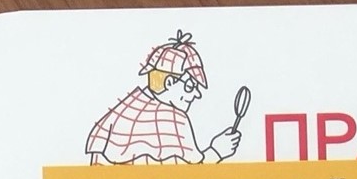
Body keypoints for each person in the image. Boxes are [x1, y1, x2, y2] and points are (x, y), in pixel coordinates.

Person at [85, 32, 242, 165]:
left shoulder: (121, 112)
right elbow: (193, 175)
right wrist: (217, 151)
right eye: (190, 86)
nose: (196, 94)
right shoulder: (173, 119)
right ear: (169, 82)